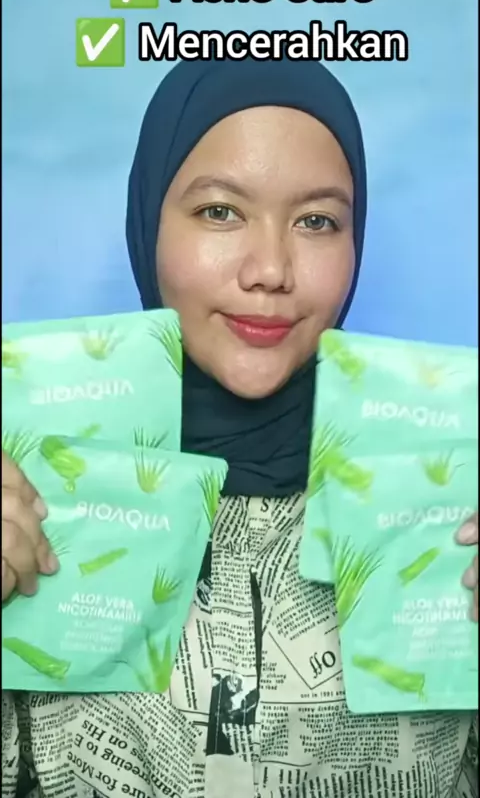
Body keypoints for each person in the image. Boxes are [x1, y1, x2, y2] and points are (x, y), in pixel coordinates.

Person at [1, 58, 478, 798]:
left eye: (317, 221)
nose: (270, 269)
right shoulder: (29, 477)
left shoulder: (448, 485)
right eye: (220, 212)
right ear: (148, 220)